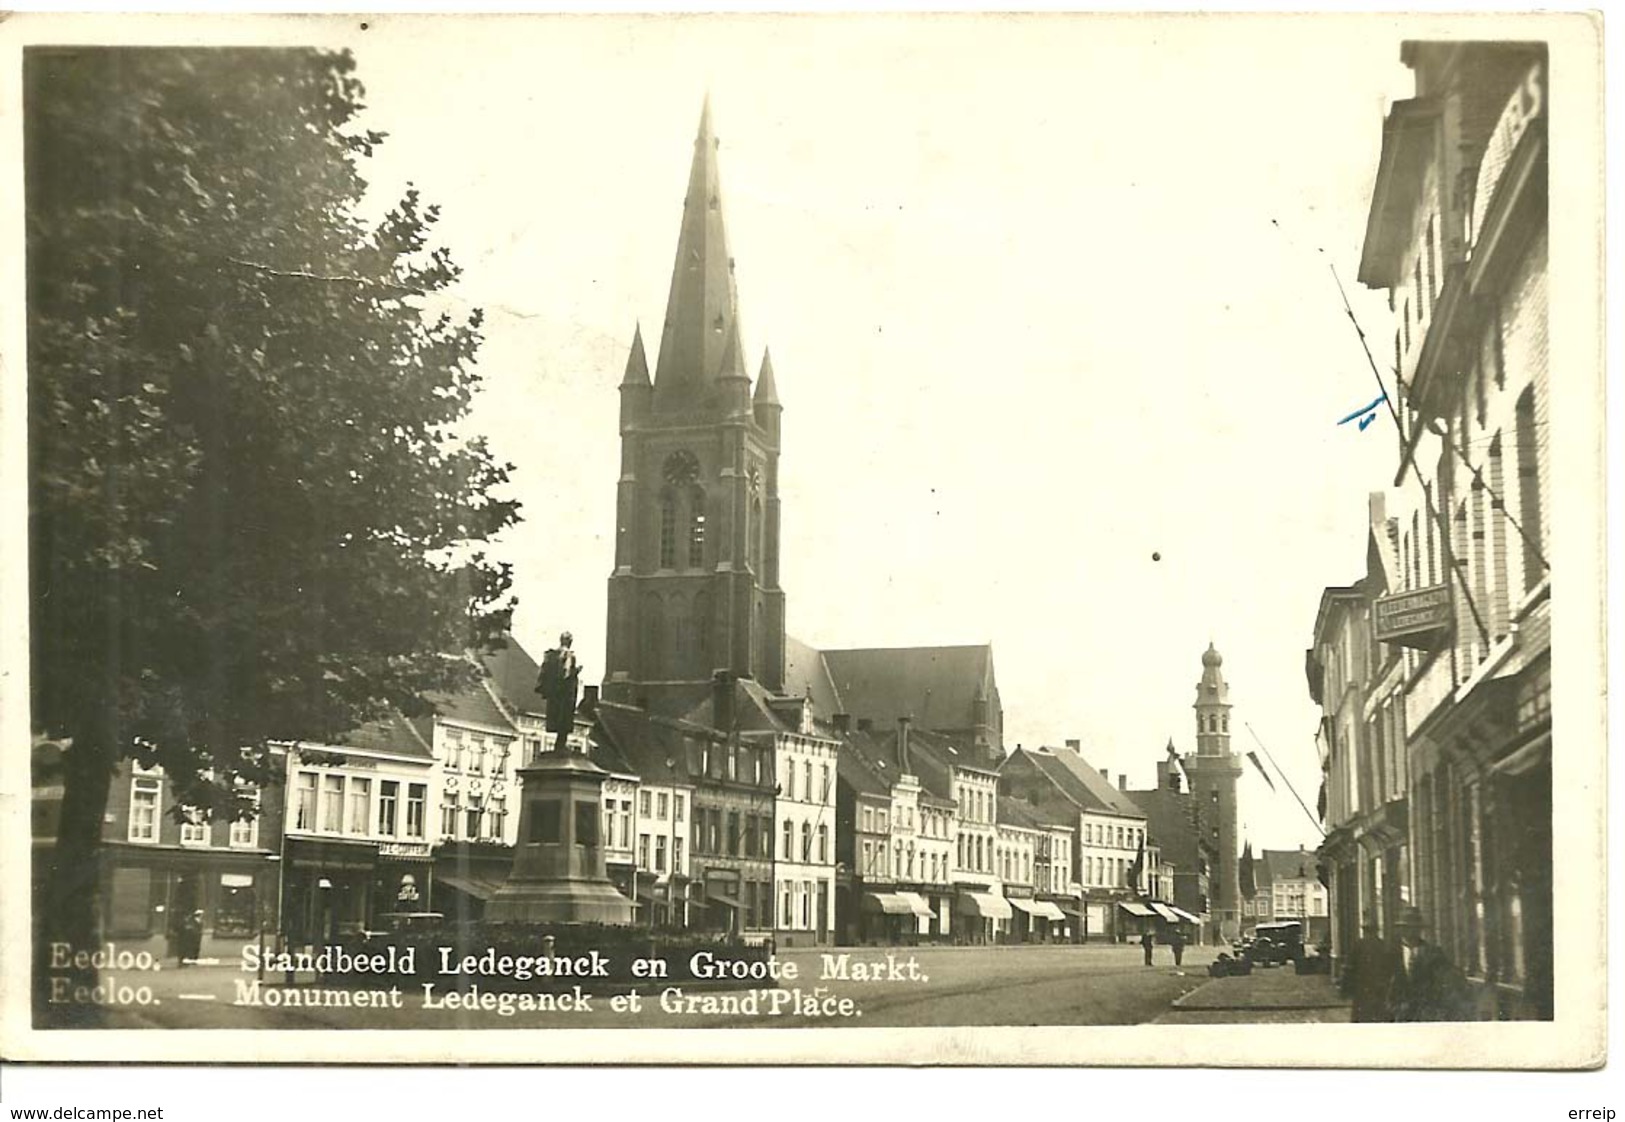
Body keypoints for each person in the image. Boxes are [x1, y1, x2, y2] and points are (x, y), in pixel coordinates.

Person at [1389, 906, 1473, 1021]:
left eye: (1415, 928)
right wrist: (1396, 1009)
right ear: (1400, 929)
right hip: (1398, 1018)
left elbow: (1447, 981)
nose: (1411, 931)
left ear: (1420, 930)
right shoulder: (1389, 954)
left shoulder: (1433, 953)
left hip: (1426, 1016)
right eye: (1406, 927)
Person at [1341, 921, 1402, 1022]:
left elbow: (1349, 968)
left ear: (1365, 931)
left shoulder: (1358, 945)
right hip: (1380, 988)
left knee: (1362, 1017)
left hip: (1362, 988)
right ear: (1376, 931)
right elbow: (1391, 968)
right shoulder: (1383, 945)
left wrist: (1346, 989)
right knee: (1380, 1015)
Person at [535, 630, 583, 753]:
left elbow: (543, 673)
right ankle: (560, 745)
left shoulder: (551, 655)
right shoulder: (569, 656)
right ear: (569, 642)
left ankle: (559, 744)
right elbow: (566, 675)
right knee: (565, 720)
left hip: (554, 695)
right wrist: (576, 671)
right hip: (565, 694)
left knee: (556, 719)